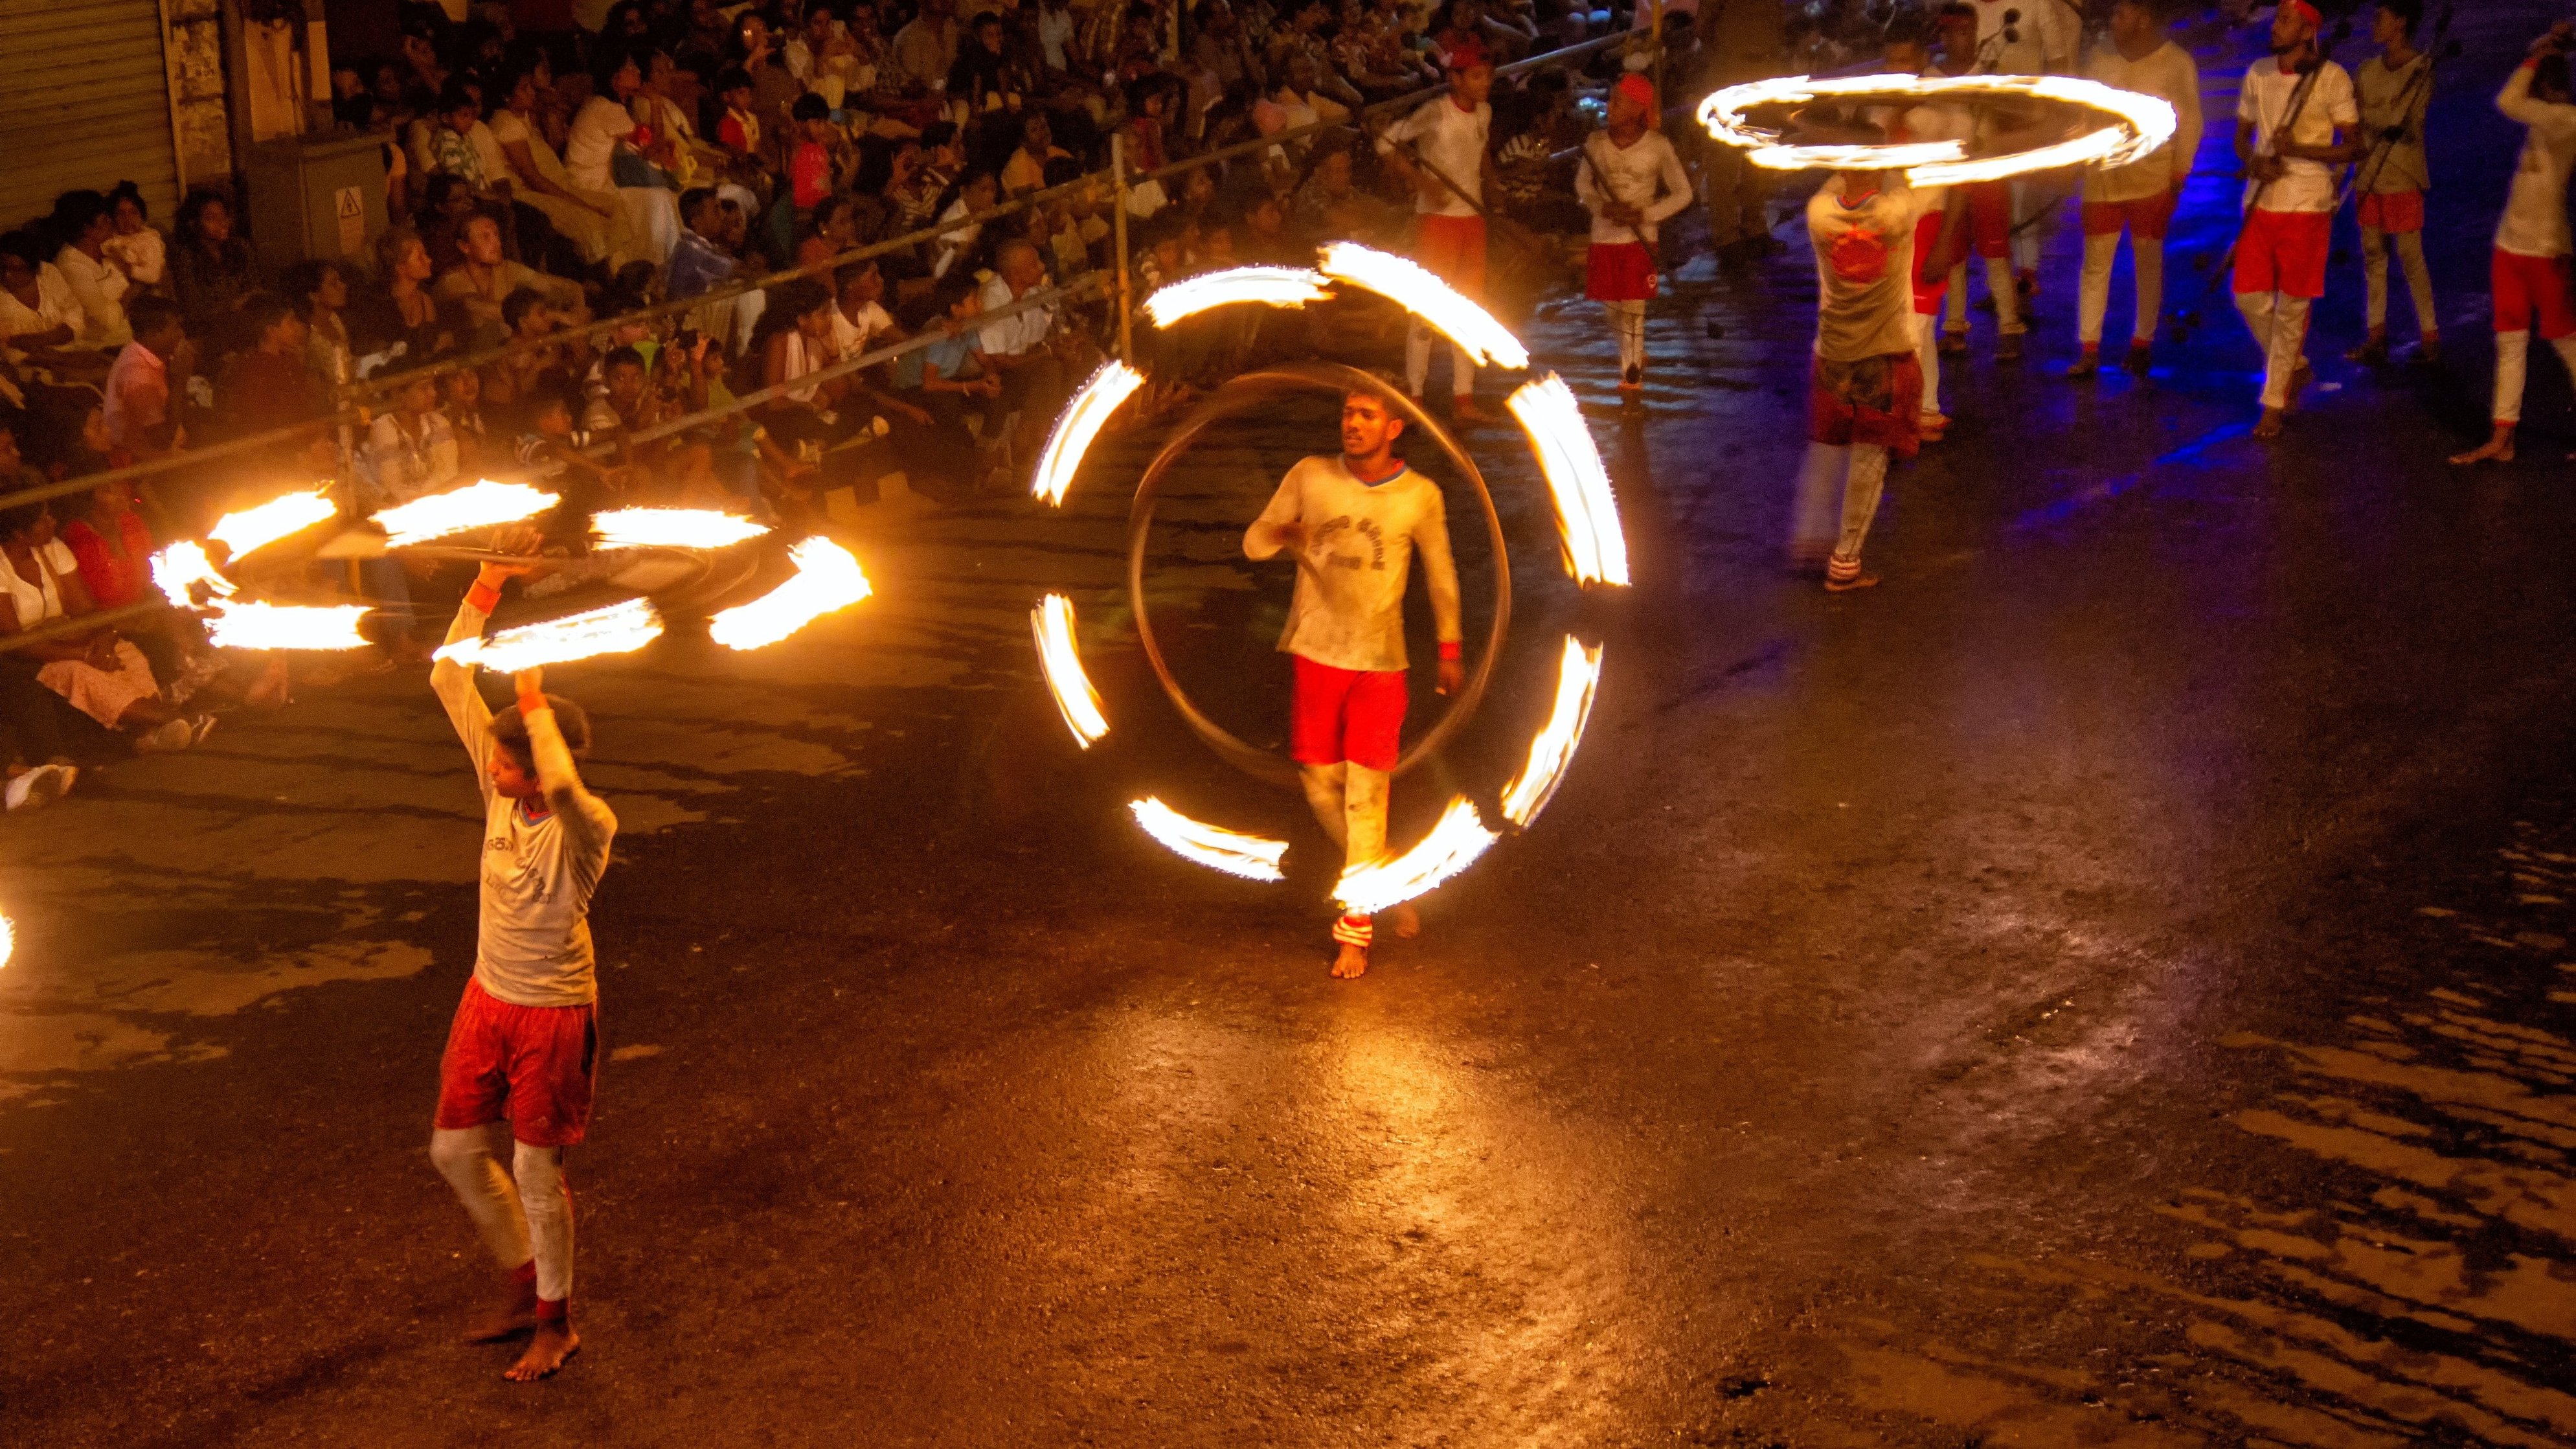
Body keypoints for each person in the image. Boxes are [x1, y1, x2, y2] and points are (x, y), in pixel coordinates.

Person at [426, 532, 618, 1383]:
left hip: (551, 1012)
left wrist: (536, 705)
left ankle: (556, 1320)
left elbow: (570, 791)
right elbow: (445, 677)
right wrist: (486, 585)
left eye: (508, 763)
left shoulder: (586, 828)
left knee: (535, 1171)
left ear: (540, 767)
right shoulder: (500, 784)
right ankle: (520, 1284)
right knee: (454, 1152)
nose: (493, 771)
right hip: (487, 999)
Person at [1243, 383, 1464, 979]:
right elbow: (1254, 541)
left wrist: (1450, 648)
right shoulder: (1311, 476)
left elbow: (1441, 572)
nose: (1353, 423)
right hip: (1315, 653)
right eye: (1348, 412)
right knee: (1321, 791)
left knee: (1366, 798)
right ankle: (1385, 875)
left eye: (1368, 415)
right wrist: (1285, 534)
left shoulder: (1419, 495)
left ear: (1395, 427)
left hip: (1380, 664)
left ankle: (1354, 931)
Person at [1796, 152, 1962, 592]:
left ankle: (1814, 541)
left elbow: (1834, 185)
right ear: (1879, 166)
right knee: (1870, 461)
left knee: (1830, 447)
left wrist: (1845, 149)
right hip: (1882, 358)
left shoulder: (1818, 213)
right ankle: (1845, 560)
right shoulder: (1898, 211)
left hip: (1833, 355)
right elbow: (1936, 174)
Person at [2450, 26, 2576, 467]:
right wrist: (2540, 50)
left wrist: (2535, 55)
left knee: (2567, 343)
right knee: (2512, 343)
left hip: (2543, 250)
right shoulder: (2549, 119)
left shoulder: (2565, 121)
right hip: (2512, 247)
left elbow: (2507, 100)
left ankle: (2503, 437)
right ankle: (2503, 436)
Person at [2233, 0, 2358, 439]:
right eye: (2277, 17)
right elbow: (2242, 137)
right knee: (2248, 297)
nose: (2276, 25)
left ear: (2308, 31)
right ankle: (2295, 367)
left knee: (2292, 308)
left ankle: (2273, 401)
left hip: (2308, 203)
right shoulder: (2258, 72)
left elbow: (2353, 147)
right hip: (2263, 201)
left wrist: (2298, 150)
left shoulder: (2333, 77)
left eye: (2286, 20)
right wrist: (2255, 163)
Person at [2070, 0, 2201, 378]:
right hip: (2103, 179)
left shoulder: (2175, 63)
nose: (2113, 21)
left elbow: (2190, 120)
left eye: (2121, 15)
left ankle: (2142, 340)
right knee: (2095, 263)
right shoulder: (2100, 59)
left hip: (2152, 180)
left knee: (2147, 260)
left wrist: (2179, 175)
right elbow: (2084, 112)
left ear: (2144, 20)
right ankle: (2089, 347)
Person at [1374, 41, 1502, 421]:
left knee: (1469, 306)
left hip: (1471, 220)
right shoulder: (1435, 112)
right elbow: (1385, 143)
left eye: (1488, 76)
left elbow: (1481, 154)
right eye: (1477, 77)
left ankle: (1464, 398)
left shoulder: (1485, 113)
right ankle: (1414, 395)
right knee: (1427, 308)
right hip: (1437, 221)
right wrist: (1421, 181)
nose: (1485, 84)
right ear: (1456, 79)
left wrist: (1494, 190)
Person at [1576, 74, 1692, 394]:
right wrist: (1603, 208)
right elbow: (1583, 185)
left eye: (1617, 101)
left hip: (1639, 240)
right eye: (1610, 99)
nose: (1609, 107)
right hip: (1603, 236)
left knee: (1633, 308)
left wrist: (1644, 215)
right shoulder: (1595, 143)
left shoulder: (1658, 146)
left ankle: (1630, 377)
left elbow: (1683, 193)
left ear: (1639, 108)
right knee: (1612, 310)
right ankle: (1635, 355)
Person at [2347, 0, 2438, 367]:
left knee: (2410, 256)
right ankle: (2377, 334)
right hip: (2368, 172)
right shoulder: (2367, 70)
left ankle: (2430, 335)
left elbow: (2406, 122)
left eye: (2381, 17)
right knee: (2373, 255)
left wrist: (2371, 115)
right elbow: (2355, 122)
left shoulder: (2421, 69)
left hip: (2401, 173)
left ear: (2400, 23)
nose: (2374, 23)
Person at [1697, 0, 1789, 272]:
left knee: (1760, 148)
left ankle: (1755, 227)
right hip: (1731, 69)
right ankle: (1726, 237)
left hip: (1766, 69)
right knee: (1724, 158)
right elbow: (1704, 26)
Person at [104, 297, 190, 462]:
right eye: (175, 328)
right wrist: (180, 381)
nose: (181, 334)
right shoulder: (136, 375)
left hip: (168, 450)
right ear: (153, 335)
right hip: (146, 464)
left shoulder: (151, 358)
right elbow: (162, 441)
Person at [50, 192, 135, 350]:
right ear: (87, 230)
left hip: (135, 335)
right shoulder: (71, 267)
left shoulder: (109, 248)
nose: (111, 222)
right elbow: (109, 321)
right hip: (106, 346)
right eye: (104, 220)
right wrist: (136, 288)